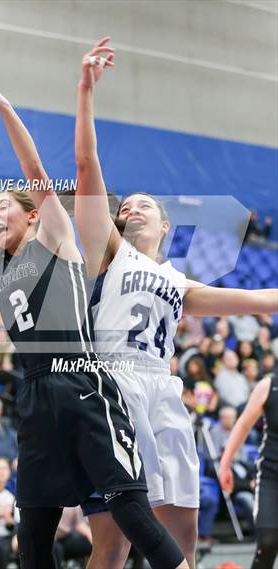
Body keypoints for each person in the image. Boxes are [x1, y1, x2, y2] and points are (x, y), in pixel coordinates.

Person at [0, 62, 189, 569]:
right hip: (34, 394)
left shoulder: (55, 238)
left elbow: (35, 171)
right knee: (32, 536)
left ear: (31, 212)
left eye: (1, 207)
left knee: (131, 513)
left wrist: (1, 105)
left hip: (81, 382)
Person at [73, 36, 278, 569]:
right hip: (113, 383)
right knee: (113, 541)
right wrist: (85, 91)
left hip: (163, 387)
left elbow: (258, 299)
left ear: (167, 225)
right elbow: (86, 165)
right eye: (129, 204)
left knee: (182, 523)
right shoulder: (109, 253)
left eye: (147, 204)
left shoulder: (177, 279)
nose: (134, 206)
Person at [220, 374, 278, 569]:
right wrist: (225, 465)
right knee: (268, 542)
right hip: (271, 473)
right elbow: (243, 425)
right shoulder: (269, 385)